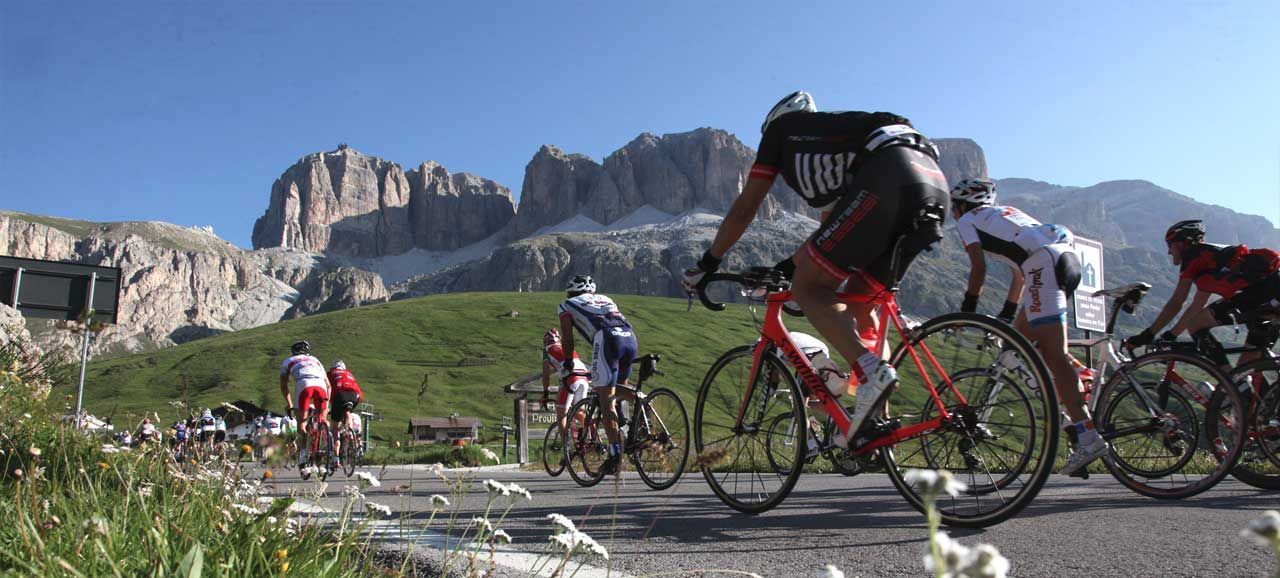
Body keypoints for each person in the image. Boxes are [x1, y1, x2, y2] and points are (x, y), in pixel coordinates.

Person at [683, 91, 947, 443]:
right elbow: (830, 234)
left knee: (809, 289)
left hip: (887, 175)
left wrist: (708, 263)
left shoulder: (782, 131)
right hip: (932, 182)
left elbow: (746, 208)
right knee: (862, 305)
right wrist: (789, 265)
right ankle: (874, 424)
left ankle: (872, 374)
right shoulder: (837, 142)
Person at [948, 178, 1106, 474]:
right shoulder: (1005, 213)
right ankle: (1074, 401)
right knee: (1016, 344)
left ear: (962, 204)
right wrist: (1008, 314)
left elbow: (978, 267)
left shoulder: (969, 220)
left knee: (1053, 354)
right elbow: (1019, 274)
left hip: (1043, 266)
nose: (952, 213)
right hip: (1062, 258)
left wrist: (966, 313)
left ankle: (1087, 436)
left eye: (953, 207)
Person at [1124, 220, 1280, 370]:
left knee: (1196, 325)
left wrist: (1147, 335)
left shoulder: (1194, 257)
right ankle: (1239, 385)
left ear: (1181, 243)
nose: (1169, 251)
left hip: (1263, 295)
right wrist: (1171, 335)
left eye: (1169, 245)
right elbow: (1195, 308)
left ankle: (1226, 379)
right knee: (1246, 368)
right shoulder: (1210, 258)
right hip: (1270, 294)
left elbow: (1177, 302)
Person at [559, 275, 637, 476]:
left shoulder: (566, 304)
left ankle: (615, 454)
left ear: (571, 292)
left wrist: (568, 361)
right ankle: (643, 423)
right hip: (629, 336)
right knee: (621, 391)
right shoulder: (606, 299)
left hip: (607, 338)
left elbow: (567, 336)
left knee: (605, 398)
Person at [279, 340, 332, 467]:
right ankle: (325, 437)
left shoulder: (288, 361)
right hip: (321, 386)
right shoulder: (315, 360)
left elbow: (284, 385)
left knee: (301, 423)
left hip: (304, 384)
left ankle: (303, 454)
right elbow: (329, 386)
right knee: (321, 418)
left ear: (293, 352)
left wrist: (289, 404)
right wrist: (326, 405)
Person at [541, 328, 591, 441]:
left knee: (561, 414)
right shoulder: (566, 348)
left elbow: (546, 374)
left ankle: (566, 446)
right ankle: (592, 438)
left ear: (546, 341)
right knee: (579, 411)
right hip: (584, 376)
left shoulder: (547, 350)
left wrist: (545, 393)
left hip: (571, 378)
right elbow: (561, 364)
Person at [327, 360, 363, 470]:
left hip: (340, 395)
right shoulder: (349, 374)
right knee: (348, 411)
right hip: (354, 396)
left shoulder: (331, 373)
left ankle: (336, 459)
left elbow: (327, 388)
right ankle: (350, 432)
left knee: (335, 429)